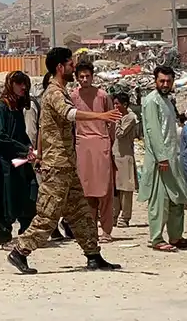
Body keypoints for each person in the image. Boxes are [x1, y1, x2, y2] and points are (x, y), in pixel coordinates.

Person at [7, 47, 122, 274]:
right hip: (56, 166)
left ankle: (93, 255)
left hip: (67, 165)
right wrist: (100, 116)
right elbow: (69, 114)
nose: (73, 68)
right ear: (60, 67)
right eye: (70, 64)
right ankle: (20, 251)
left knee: (81, 213)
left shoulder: (61, 91)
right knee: (48, 214)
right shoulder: (54, 93)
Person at [140, 66, 187, 252]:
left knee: (177, 198)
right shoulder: (151, 101)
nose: (165, 84)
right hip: (160, 161)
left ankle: (176, 236)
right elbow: (153, 131)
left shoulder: (168, 101)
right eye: (162, 81)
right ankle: (157, 239)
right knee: (159, 201)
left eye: (168, 81)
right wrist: (161, 158)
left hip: (173, 158)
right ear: (155, 81)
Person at [71, 61, 116, 242]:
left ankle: (106, 230)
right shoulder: (73, 96)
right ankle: (91, 230)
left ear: (92, 76)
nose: (84, 79)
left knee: (105, 190)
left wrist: (109, 141)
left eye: (87, 76)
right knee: (86, 191)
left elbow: (112, 120)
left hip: (101, 143)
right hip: (82, 145)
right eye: (81, 76)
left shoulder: (102, 96)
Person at [0, 71, 37, 248]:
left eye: (24, 84)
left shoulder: (16, 108)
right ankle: (4, 238)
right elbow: (0, 136)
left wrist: (29, 148)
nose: (23, 87)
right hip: (5, 163)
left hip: (20, 161)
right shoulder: (1, 107)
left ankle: (25, 234)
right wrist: (23, 149)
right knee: (5, 201)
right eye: (19, 83)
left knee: (27, 195)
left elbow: (21, 133)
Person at [111, 93, 139, 228]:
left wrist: (116, 121)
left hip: (125, 157)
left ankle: (125, 217)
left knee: (126, 189)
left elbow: (120, 134)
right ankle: (113, 216)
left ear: (125, 104)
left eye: (117, 104)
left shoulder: (130, 117)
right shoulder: (118, 117)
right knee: (115, 189)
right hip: (115, 155)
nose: (115, 106)